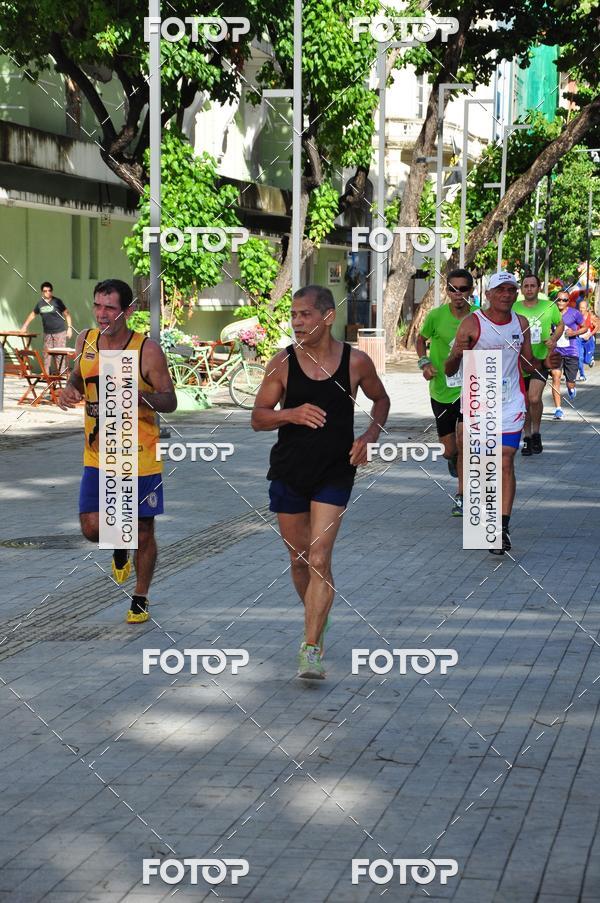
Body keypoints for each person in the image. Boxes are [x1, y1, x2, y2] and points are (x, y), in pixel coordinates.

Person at [252, 285, 390, 680]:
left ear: (328, 317)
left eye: (305, 314)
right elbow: (258, 417)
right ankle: (317, 614)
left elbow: (381, 400)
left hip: (335, 471)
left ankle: (311, 647)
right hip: (289, 471)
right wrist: (290, 414)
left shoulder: (355, 361)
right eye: (293, 315)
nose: (297, 322)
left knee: (318, 558)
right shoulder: (282, 363)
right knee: (299, 561)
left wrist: (370, 436)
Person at [58, 279, 177, 623]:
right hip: (98, 453)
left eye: (110, 308)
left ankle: (140, 596)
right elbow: (77, 377)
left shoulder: (146, 350)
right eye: (98, 306)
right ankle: (118, 542)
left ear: (128, 310)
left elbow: (170, 400)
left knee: (143, 530)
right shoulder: (86, 340)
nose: (102, 314)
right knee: (91, 527)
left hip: (140, 455)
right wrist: (69, 390)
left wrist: (140, 397)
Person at [445, 272, 561, 554]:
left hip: (510, 404)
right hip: (478, 404)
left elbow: (528, 363)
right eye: (500, 290)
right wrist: (457, 354)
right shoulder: (472, 323)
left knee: (505, 459)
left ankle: (502, 527)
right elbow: (449, 370)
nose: (507, 295)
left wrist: (547, 362)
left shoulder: (520, 323)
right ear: (488, 294)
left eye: (511, 290)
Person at [416, 268, 474, 516]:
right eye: (453, 289)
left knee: (464, 440)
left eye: (463, 289)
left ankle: (462, 496)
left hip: (470, 389)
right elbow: (420, 339)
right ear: (447, 291)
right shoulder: (436, 316)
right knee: (450, 449)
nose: (458, 293)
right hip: (441, 389)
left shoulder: (478, 317)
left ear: (470, 291)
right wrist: (424, 363)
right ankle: (453, 459)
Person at [513, 273, 563, 455]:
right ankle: (527, 438)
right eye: (525, 286)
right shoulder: (514, 307)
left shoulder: (549, 306)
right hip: (519, 361)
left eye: (532, 286)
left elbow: (560, 324)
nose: (529, 289)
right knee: (524, 401)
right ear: (521, 289)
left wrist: (554, 338)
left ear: (539, 288)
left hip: (541, 360)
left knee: (534, 398)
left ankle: (536, 433)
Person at [21, 282, 73, 374]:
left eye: (49, 290)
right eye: (45, 291)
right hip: (47, 333)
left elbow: (67, 314)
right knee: (46, 355)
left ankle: (61, 375)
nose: (47, 292)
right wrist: (25, 326)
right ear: (42, 292)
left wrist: (69, 328)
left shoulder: (57, 302)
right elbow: (33, 314)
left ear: (52, 291)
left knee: (59, 355)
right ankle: (46, 374)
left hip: (59, 332)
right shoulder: (40, 304)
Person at [551, 291, 586, 419]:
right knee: (555, 377)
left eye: (564, 300)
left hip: (571, 351)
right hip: (556, 351)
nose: (561, 302)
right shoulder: (550, 312)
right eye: (559, 299)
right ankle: (558, 409)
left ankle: (571, 388)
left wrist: (574, 333)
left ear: (568, 301)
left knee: (570, 383)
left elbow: (585, 327)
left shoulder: (575, 313)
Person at [576, 299, 596, 379]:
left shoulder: (591, 317)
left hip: (589, 340)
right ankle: (582, 375)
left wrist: (590, 334)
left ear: (587, 308)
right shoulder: (577, 316)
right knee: (579, 358)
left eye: (583, 308)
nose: (581, 310)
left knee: (586, 361)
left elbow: (597, 326)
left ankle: (590, 359)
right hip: (579, 339)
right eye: (580, 308)